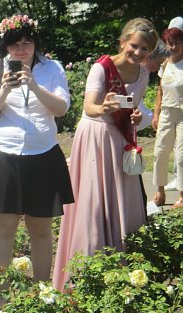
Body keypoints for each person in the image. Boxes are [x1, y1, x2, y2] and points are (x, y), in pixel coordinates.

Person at [0, 14, 73, 300]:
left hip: (43, 155)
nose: (21, 50)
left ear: (35, 43)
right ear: (6, 46)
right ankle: (2, 296)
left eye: (27, 43)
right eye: (15, 44)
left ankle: (42, 295)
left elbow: (61, 108)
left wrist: (35, 86)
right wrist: (5, 88)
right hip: (4, 153)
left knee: (40, 229)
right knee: (4, 228)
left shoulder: (52, 68)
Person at [53, 18, 159, 291]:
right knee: (94, 204)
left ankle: (127, 272)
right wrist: (106, 107)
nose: (138, 53)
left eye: (144, 49)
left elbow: (138, 108)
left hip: (121, 141)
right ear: (123, 42)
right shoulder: (101, 69)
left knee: (125, 202)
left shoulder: (144, 74)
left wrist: (137, 117)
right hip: (96, 138)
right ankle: (87, 275)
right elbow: (89, 107)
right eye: (134, 46)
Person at [152, 16, 183, 208]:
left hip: (182, 115)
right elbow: (160, 90)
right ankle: (160, 191)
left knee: (181, 155)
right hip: (165, 113)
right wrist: (156, 114)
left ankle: (182, 195)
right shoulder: (166, 64)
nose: (172, 47)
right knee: (160, 152)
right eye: (169, 43)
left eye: (177, 43)